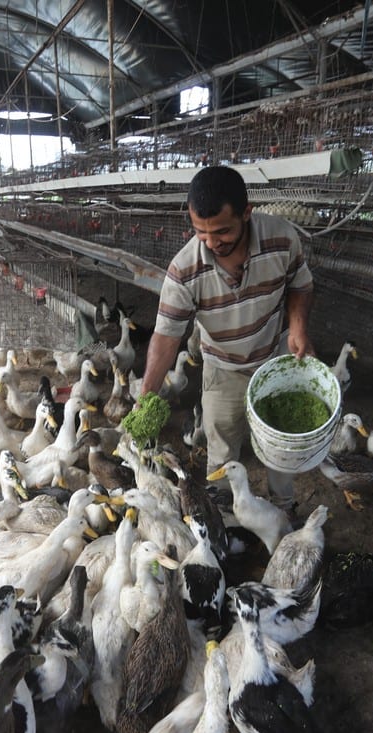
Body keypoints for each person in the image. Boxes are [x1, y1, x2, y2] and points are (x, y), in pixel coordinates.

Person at [139, 165, 314, 511]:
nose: (211, 242)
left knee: (278, 443)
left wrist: (297, 328)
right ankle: (223, 517)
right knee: (220, 447)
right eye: (201, 233)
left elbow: (300, 284)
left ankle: (284, 507)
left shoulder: (281, 239)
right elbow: (166, 339)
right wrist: (146, 398)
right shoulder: (185, 269)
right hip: (222, 366)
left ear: (247, 213)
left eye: (221, 231)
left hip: (273, 360)